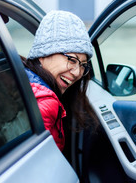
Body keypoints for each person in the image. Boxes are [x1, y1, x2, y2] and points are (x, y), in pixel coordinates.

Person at [23, 10, 97, 152]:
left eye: (82, 65)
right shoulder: (45, 103)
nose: (77, 73)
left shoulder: (25, 79)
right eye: (71, 59)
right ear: (43, 53)